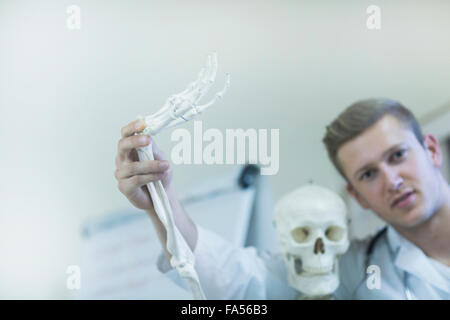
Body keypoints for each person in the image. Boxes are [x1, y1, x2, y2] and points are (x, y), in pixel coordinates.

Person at [114, 98, 450, 299]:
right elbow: (238, 280)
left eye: (398, 155)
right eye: (368, 174)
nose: (391, 180)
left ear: (432, 150)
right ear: (356, 196)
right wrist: (161, 200)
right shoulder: (355, 268)